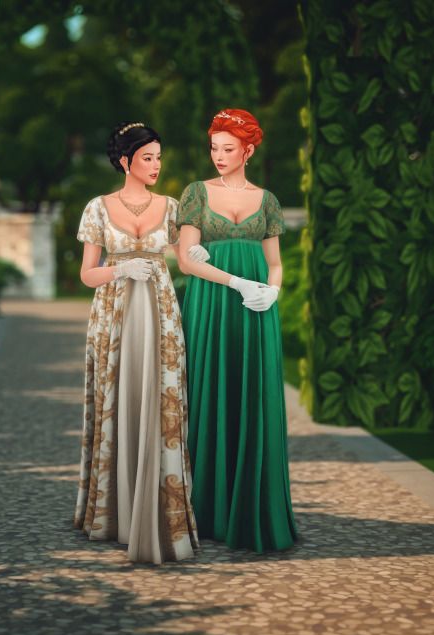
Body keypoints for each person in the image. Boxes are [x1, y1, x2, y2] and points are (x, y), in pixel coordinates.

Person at [74, 121, 198, 563]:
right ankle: (117, 515)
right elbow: (87, 274)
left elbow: (186, 259)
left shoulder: (172, 206)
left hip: (162, 312)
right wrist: (120, 270)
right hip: (115, 313)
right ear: (126, 161)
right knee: (120, 398)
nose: (156, 165)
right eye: (148, 157)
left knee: (159, 401)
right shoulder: (99, 208)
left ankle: (161, 514)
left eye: (159, 157)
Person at [177, 108, 299, 552]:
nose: (219, 156)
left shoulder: (267, 200)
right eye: (214, 148)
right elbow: (186, 257)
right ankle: (206, 511)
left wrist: (275, 291)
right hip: (212, 305)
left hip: (256, 309)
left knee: (254, 397)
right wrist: (238, 282)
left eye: (228, 149)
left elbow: (276, 263)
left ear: (248, 150)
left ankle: (253, 511)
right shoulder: (196, 193)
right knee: (210, 392)